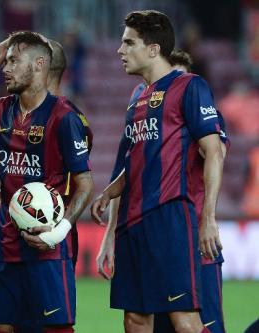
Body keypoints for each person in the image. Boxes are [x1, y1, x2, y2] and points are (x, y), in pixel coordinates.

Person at [91, 10, 224, 333]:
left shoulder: (189, 87)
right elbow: (137, 162)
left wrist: (207, 218)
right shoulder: (137, 101)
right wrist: (110, 192)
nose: (120, 51)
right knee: (135, 320)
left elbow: (214, 152)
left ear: (153, 49)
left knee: (184, 320)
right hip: (131, 224)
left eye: (128, 43)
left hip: (169, 219)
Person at [0, 31, 94, 333]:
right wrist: (2, 195)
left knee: (54, 328)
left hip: (47, 247)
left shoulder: (65, 118)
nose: (4, 69)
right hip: (5, 244)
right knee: (1, 327)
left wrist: (61, 229)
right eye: (5, 62)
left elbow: (84, 182)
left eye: (13, 61)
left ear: (39, 65)